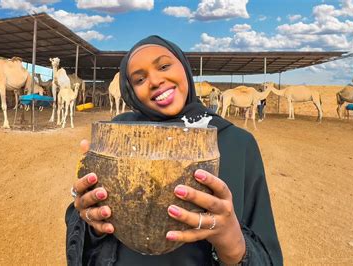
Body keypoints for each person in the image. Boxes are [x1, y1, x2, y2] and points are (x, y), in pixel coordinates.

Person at [66, 35, 282, 265]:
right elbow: (86, 226)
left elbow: (267, 254)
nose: (155, 80)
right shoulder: (115, 137)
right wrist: (91, 222)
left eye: (164, 66)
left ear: (185, 67)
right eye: (139, 79)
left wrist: (234, 244)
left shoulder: (237, 144)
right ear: (130, 92)